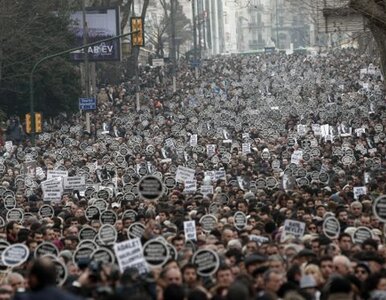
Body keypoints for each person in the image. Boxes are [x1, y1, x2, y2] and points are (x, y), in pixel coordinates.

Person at [13, 257, 80, 300]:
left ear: (34, 278)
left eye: (29, 275)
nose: (27, 279)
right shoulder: (72, 298)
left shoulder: (21, 298)